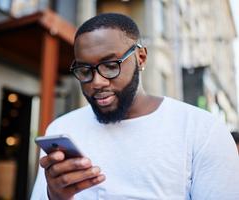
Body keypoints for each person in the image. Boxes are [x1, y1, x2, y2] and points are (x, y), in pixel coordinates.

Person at [31, 13, 239, 200]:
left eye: (111, 66)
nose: (97, 82)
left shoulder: (201, 130)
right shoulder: (63, 129)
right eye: (85, 70)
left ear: (141, 58)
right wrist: (56, 196)